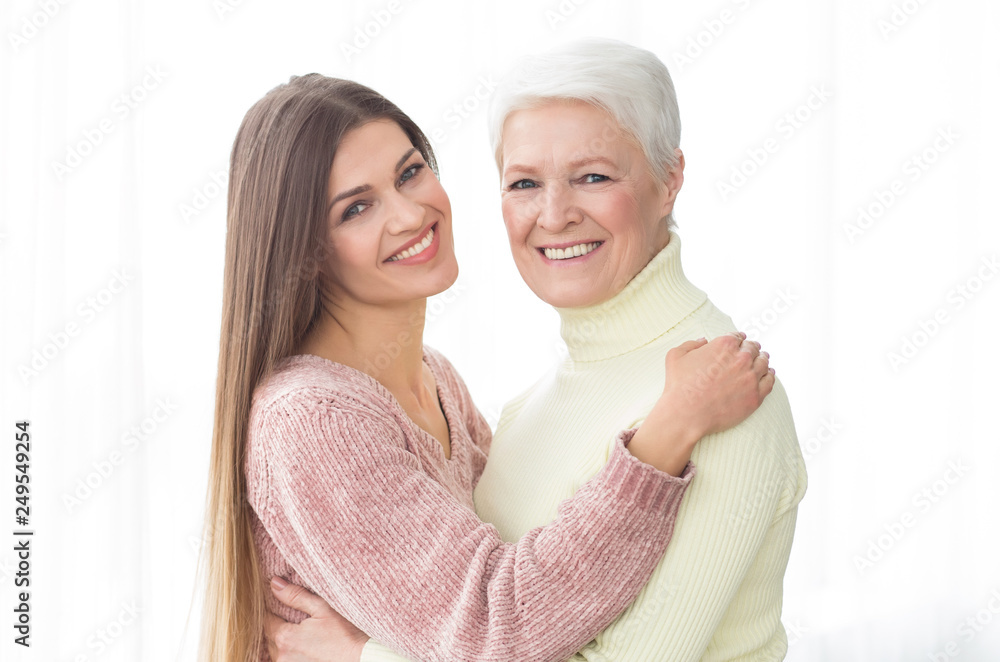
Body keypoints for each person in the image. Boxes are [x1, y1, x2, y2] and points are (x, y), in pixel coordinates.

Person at [198, 72, 776, 662]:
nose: (409, 215)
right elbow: (498, 629)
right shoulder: (315, 421)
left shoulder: (435, 379)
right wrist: (666, 434)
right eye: (357, 208)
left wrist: (363, 654)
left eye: (409, 173)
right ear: (305, 250)